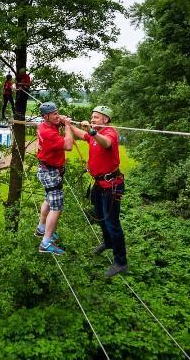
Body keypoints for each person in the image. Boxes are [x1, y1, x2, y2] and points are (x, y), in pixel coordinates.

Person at [70, 105, 127, 277]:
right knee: (100, 217)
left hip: (111, 186)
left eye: (96, 117)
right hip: (99, 185)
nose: (93, 119)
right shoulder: (94, 134)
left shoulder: (109, 133)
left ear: (106, 119)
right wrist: (66, 124)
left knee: (112, 223)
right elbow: (81, 134)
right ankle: (108, 242)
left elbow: (107, 143)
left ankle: (121, 262)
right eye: (92, 116)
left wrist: (93, 132)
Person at [35, 102, 73, 254]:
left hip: (45, 169)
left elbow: (55, 127)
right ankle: (46, 242)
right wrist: (68, 126)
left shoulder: (44, 126)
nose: (58, 116)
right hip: (50, 172)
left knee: (49, 199)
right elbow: (68, 145)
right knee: (57, 206)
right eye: (54, 114)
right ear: (46, 116)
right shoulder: (48, 133)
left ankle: (42, 228)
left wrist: (59, 121)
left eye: (58, 113)